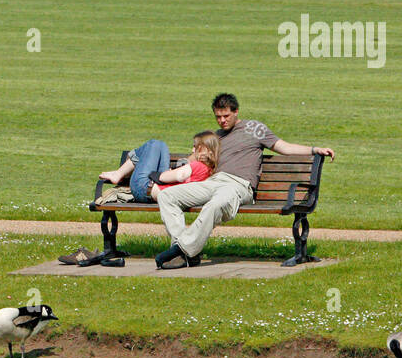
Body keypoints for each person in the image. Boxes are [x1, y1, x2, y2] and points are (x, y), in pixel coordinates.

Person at [155, 94, 334, 270]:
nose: (222, 120)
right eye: (218, 117)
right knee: (167, 196)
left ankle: (182, 251)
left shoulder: (254, 128)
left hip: (238, 185)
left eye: (226, 116)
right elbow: (193, 158)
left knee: (214, 205)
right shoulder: (216, 137)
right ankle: (184, 252)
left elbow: (283, 147)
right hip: (213, 182)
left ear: (236, 112)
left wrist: (314, 149)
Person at [97, 132, 220, 204]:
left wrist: (162, 175)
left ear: (200, 149)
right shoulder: (208, 170)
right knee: (161, 146)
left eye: (194, 147)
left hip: (143, 188)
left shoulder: (197, 166)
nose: (192, 150)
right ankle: (118, 174)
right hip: (155, 189)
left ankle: (118, 174)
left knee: (153, 144)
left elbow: (179, 175)